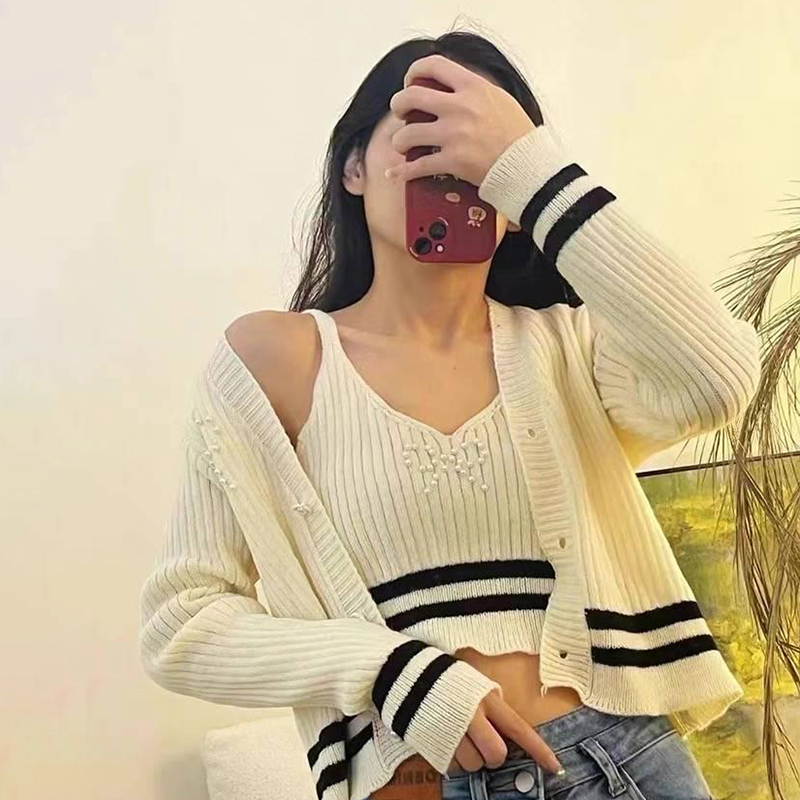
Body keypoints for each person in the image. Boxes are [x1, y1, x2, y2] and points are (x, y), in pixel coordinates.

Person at [139, 30, 760, 800]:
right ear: (354, 167)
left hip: (623, 762)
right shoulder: (274, 362)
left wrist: (532, 171)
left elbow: (720, 379)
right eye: (422, 136)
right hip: (420, 779)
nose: (450, 168)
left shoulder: (570, 349)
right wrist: (393, 673)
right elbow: (182, 623)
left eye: (477, 153)